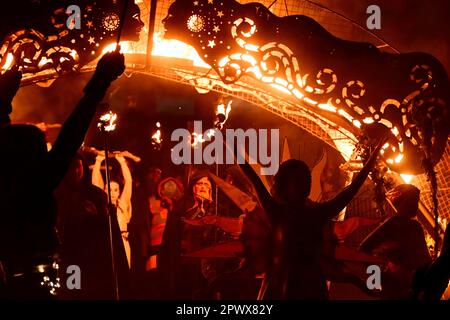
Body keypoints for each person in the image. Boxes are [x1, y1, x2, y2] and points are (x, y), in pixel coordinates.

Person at [0, 51, 125, 299]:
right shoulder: (34, 184)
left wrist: (2, 102)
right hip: (32, 285)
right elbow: (70, 136)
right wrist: (99, 82)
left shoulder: (13, 180)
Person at [238, 139, 385, 299]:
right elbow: (251, 175)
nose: (303, 184)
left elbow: (351, 190)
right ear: (285, 184)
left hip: (298, 284)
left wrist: (373, 157)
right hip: (290, 284)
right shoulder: (282, 211)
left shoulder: (296, 213)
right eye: (298, 180)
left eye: (304, 180)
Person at [360, 184, 431, 299]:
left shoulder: (415, 226)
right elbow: (363, 250)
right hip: (397, 290)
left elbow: (424, 260)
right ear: (403, 201)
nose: (415, 205)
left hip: (412, 289)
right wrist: (379, 279)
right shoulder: (394, 224)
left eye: (416, 201)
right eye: (412, 200)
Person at [92, 153, 133, 269]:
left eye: (116, 190)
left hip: (123, 241)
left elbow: (128, 181)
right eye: (109, 189)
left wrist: (122, 163)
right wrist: (98, 162)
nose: (113, 193)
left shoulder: (123, 204)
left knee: (124, 271)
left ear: (119, 192)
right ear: (104, 191)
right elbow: (95, 185)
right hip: (107, 242)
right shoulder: (103, 206)